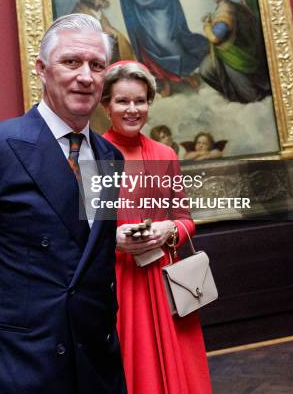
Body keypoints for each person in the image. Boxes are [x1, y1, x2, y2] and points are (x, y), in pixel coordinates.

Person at [0, 14, 127, 394]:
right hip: (10, 368)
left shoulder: (110, 156)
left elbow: (90, 263)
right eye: (71, 62)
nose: (85, 76)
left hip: (94, 369)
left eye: (97, 66)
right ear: (42, 70)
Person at [101, 61, 212, 394]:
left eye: (140, 101)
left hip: (166, 278)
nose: (132, 109)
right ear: (106, 105)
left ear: (150, 102)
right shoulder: (92, 153)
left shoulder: (165, 153)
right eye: (123, 101)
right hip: (117, 281)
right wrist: (114, 239)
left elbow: (185, 219)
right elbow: (75, 233)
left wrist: (169, 231)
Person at [200, 0, 271, 103]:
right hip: (228, 53)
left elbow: (215, 37)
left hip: (233, 56)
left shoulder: (225, 10)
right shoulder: (230, 5)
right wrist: (212, 19)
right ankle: (234, 95)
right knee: (206, 70)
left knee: (249, 95)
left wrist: (206, 26)